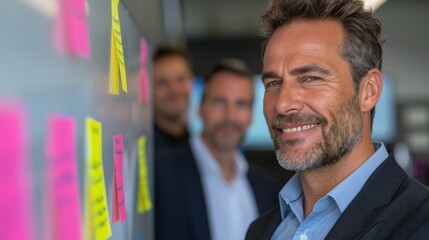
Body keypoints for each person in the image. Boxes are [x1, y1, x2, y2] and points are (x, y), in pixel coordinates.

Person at [246, 0, 429, 239]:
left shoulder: (421, 224)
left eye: (310, 78)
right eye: (273, 83)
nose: (282, 103)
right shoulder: (261, 230)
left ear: (369, 91)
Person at [155, 58, 278, 240]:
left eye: (241, 104)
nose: (230, 115)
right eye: (220, 102)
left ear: (251, 115)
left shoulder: (266, 188)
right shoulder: (159, 172)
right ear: (200, 108)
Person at [152, 45, 194, 149]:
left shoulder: (197, 145)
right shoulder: (147, 151)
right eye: (162, 82)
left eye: (180, 79)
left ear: (191, 81)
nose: (174, 89)